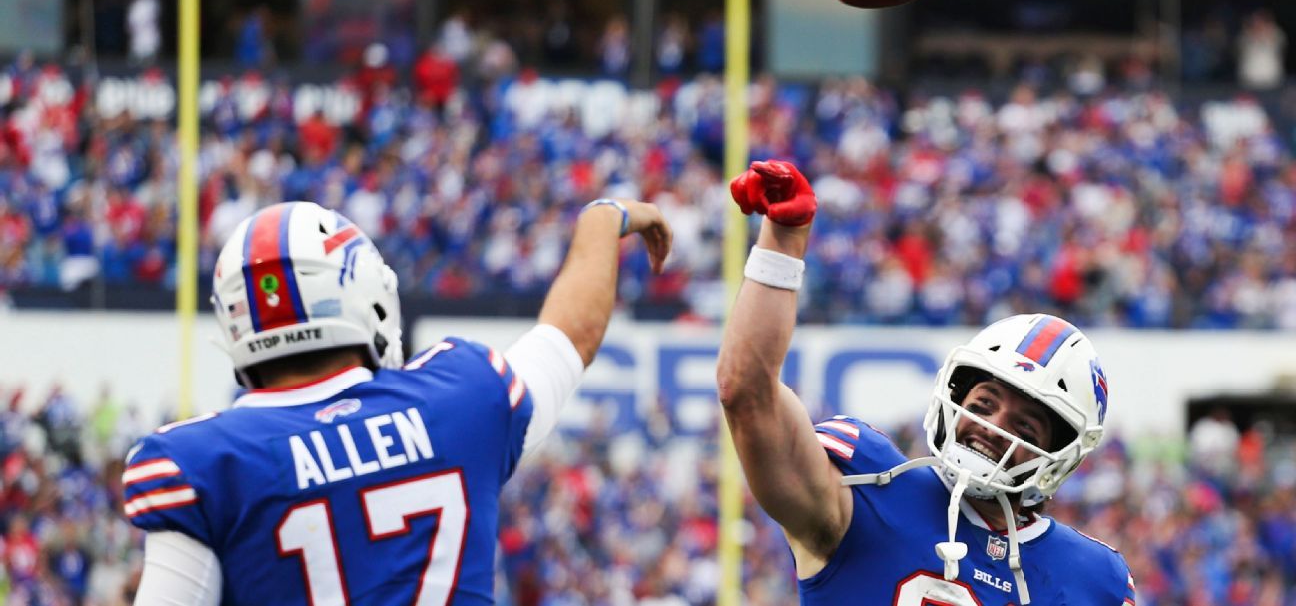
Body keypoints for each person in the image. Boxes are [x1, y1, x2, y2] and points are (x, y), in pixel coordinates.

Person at [123, 198, 671, 604]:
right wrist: (604, 219)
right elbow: (570, 334)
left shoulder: (204, 461)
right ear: (366, 294)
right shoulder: (463, 396)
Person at [717, 159, 1133, 605]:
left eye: (1025, 429)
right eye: (985, 403)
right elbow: (747, 393)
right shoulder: (868, 483)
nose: (993, 428)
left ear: (1058, 458)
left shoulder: (1094, 578)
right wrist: (783, 240)